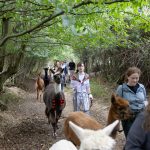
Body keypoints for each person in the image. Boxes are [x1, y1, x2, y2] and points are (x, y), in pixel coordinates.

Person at [116, 67, 147, 138]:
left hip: (141, 117)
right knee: (131, 139)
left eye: (137, 78)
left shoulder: (141, 87)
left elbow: (144, 101)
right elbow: (117, 106)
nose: (135, 80)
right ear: (128, 77)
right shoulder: (121, 88)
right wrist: (117, 122)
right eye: (133, 78)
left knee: (141, 138)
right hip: (128, 118)